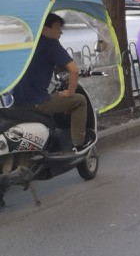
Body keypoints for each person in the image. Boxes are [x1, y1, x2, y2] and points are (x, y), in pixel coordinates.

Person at [11, 13, 93, 155]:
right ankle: (79, 144)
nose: (60, 32)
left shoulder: (29, 42)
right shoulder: (51, 44)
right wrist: (69, 93)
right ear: (45, 29)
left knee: (55, 98)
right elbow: (73, 70)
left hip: (15, 102)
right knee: (80, 101)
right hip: (36, 103)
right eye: (57, 27)